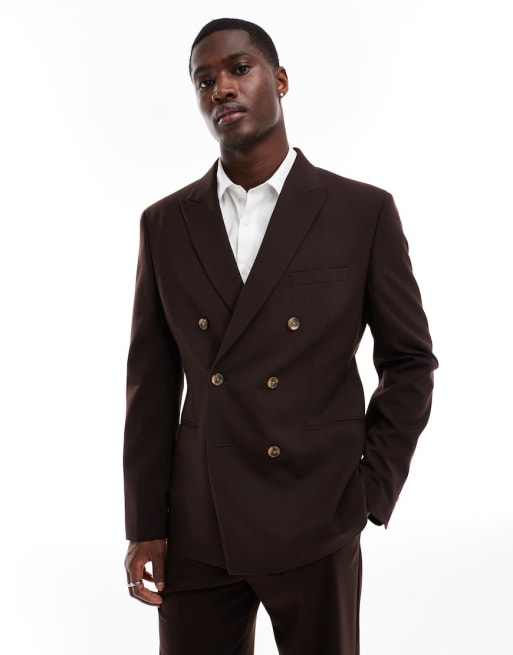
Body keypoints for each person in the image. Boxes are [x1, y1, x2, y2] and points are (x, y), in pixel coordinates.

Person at [123, 17, 438, 655]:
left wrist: (370, 490)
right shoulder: (165, 223)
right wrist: (145, 524)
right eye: (204, 80)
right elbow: (150, 387)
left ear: (281, 80)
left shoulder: (361, 212)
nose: (221, 88)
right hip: (199, 521)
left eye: (239, 69)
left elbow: (409, 361)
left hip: (316, 513)